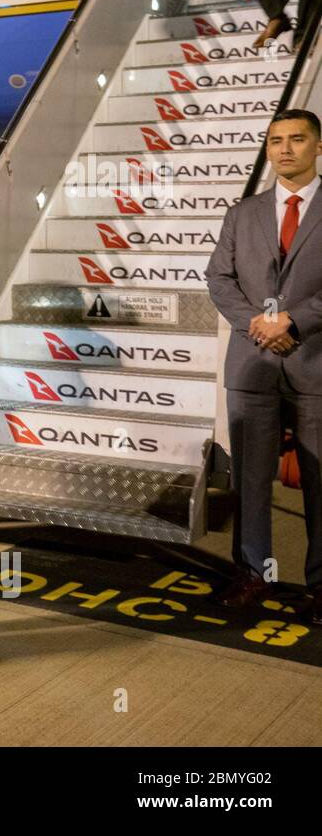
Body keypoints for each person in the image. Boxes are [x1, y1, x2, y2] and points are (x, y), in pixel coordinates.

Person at [207, 108, 322, 623]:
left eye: (297, 139)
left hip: (315, 364)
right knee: (250, 479)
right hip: (252, 365)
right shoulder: (243, 212)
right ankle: (254, 572)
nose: (285, 149)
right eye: (276, 140)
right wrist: (257, 323)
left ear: (317, 147)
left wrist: (293, 323)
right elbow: (219, 279)